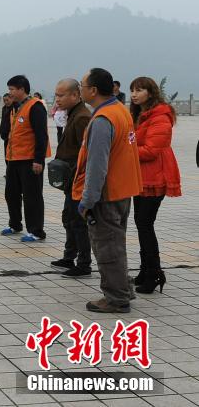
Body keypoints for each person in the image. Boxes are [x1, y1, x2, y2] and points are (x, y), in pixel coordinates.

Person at [74, 68, 142, 313]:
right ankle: (123, 288)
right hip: (122, 190)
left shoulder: (103, 120)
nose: (80, 89)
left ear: (92, 90)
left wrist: (87, 200)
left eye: (82, 85)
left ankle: (115, 298)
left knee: (106, 247)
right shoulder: (120, 111)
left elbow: (97, 165)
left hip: (107, 194)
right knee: (116, 243)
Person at [130, 76, 182, 294]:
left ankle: (154, 274)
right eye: (132, 90)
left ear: (150, 92)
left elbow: (152, 150)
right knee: (141, 224)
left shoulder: (160, 115)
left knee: (145, 224)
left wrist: (126, 152)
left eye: (139, 90)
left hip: (155, 176)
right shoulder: (139, 114)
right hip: (141, 176)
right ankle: (145, 270)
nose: (134, 94)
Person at [49, 79, 92, 277]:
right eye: (56, 95)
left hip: (78, 178)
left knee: (77, 221)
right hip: (70, 177)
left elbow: (86, 152)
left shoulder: (82, 117)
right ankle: (69, 256)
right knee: (69, 218)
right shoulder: (73, 114)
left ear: (75, 95)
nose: (57, 99)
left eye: (61, 95)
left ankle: (83, 263)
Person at [1, 75, 50, 242]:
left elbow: (41, 136)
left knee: (32, 196)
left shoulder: (35, 106)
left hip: (29, 160)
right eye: (9, 89)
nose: (10, 93)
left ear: (22, 89)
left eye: (12, 89)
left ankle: (36, 231)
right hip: (14, 159)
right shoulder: (16, 107)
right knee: (11, 194)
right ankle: (15, 224)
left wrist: (39, 160)